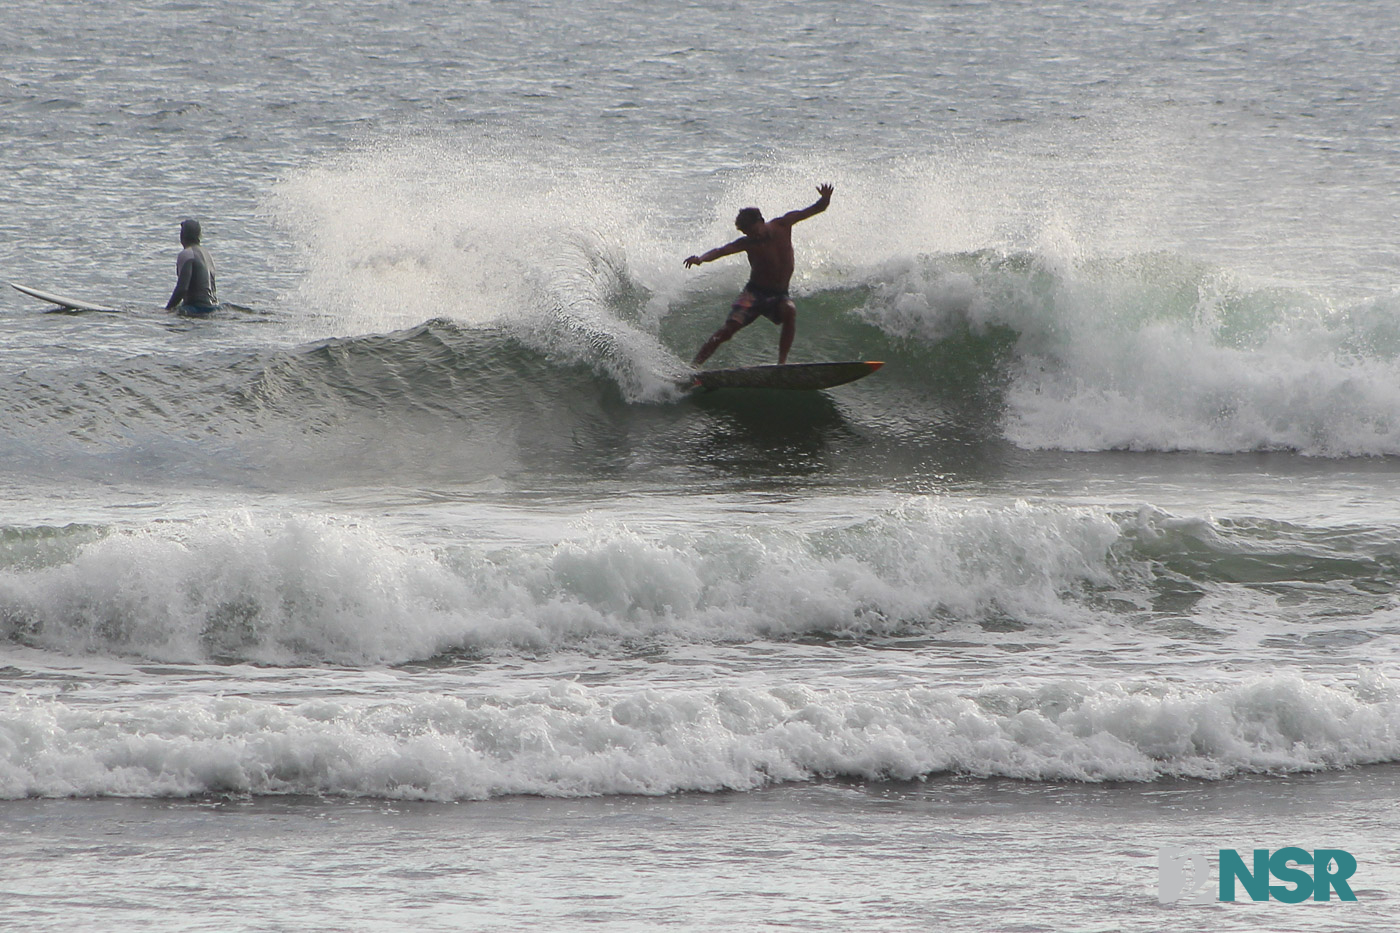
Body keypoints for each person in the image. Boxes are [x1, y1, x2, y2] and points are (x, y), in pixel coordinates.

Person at [684, 183, 833, 367]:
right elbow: (721, 251)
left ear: (761, 221)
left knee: (790, 310)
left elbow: (814, 209)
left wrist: (825, 198)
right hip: (753, 294)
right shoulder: (747, 243)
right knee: (728, 330)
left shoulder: (783, 224)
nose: (753, 236)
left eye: (753, 232)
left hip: (778, 295)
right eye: (748, 234)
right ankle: (693, 367)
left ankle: (781, 364)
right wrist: (701, 259)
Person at [165, 218, 218, 315]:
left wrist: (168, 309)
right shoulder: (208, 255)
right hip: (211, 307)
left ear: (182, 236)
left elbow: (182, 288)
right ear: (199, 236)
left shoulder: (186, 254)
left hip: (195, 308)